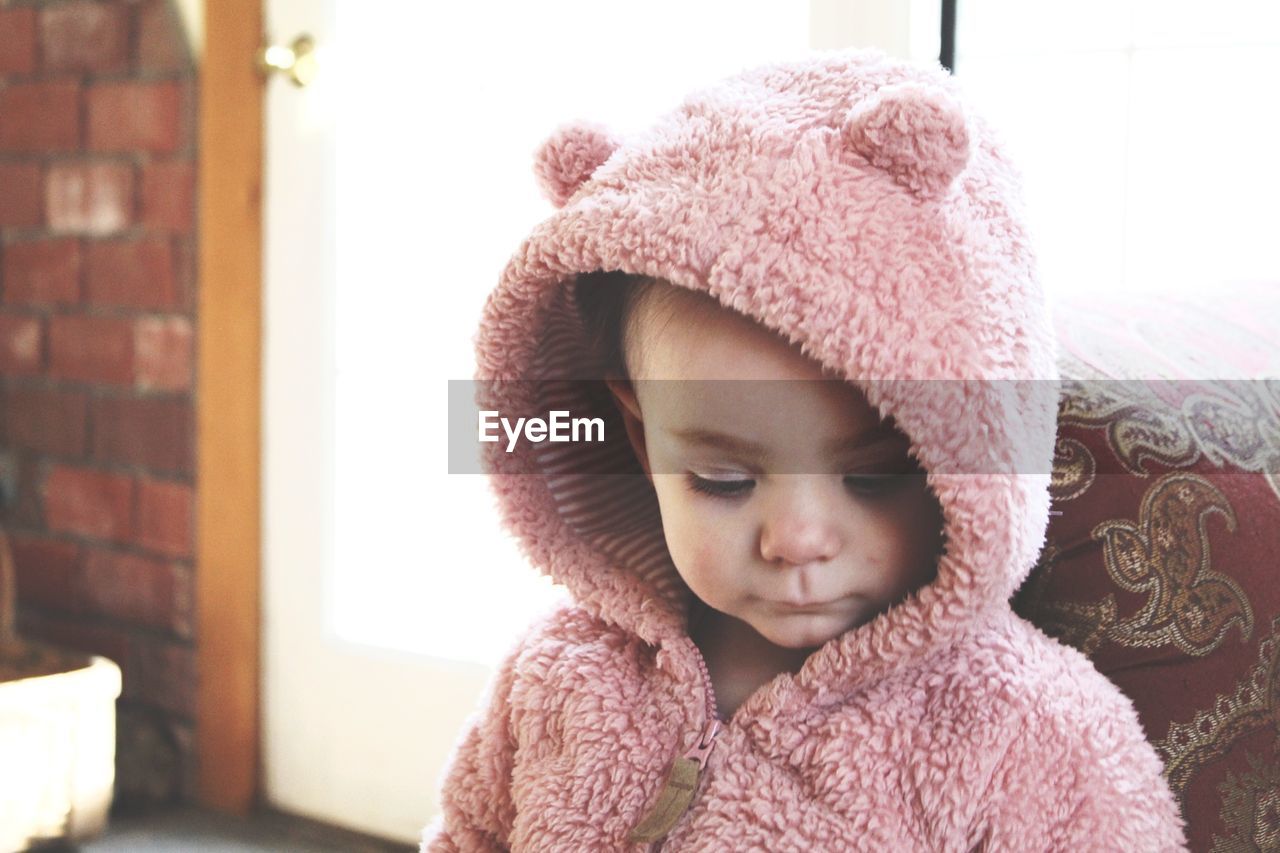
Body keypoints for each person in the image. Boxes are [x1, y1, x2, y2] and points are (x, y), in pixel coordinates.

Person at [423, 47, 1188, 851]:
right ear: (643, 440)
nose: (795, 539)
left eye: (873, 473)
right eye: (721, 478)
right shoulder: (558, 676)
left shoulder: (1028, 733)